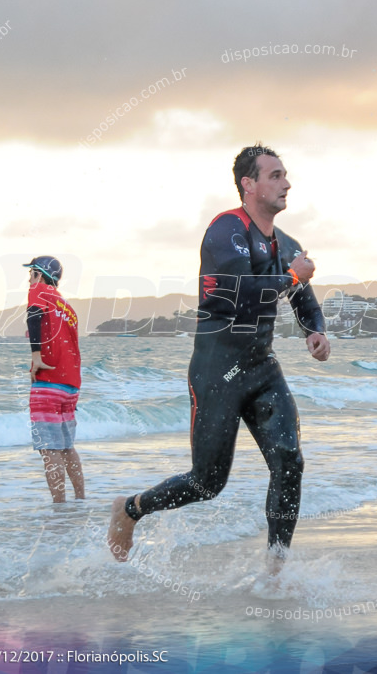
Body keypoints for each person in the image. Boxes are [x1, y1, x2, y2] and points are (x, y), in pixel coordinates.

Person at [108, 144, 329, 568]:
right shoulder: (225, 230)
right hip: (217, 368)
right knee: (208, 483)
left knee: (289, 461)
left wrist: (314, 331)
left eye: (285, 175)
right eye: (275, 175)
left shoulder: (288, 244)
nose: (286, 183)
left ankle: (275, 569)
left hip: (261, 366)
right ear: (249, 185)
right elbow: (238, 292)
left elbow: (304, 298)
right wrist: (290, 276)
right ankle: (130, 509)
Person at [24, 255, 85, 503]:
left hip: (48, 381)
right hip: (70, 385)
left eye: (31, 274)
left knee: (49, 449)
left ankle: (59, 508)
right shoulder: (67, 307)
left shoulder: (39, 291)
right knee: (67, 447)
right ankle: (81, 500)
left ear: (39, 274)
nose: (29, 279)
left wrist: (36, 356)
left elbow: (33, 316)